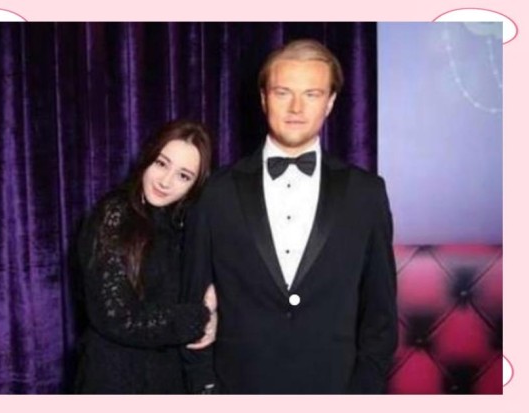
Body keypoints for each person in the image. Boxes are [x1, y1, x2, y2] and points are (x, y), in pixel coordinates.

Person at [183, 39, 397, 394]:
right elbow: (192, 302)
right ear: (264, 98)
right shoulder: (216, 192)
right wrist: (205, 388)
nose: (296, 107)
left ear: (330, 102)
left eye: (312, 94)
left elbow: (381, 314)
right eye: (283, 92)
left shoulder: (366, 193)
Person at [75, 120, 217, 394]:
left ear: (194, 185)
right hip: (114, 378)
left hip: (168, 377)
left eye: (183, 176)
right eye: (162, 164)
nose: (165, 181)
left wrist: (215, 314)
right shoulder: (114, 213)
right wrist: (199, 318)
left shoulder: (185, 224)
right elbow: (117, 317)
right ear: (148, 158)